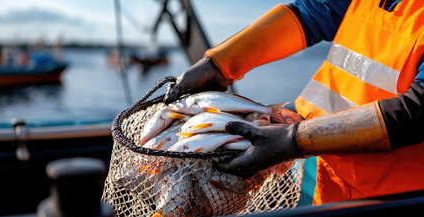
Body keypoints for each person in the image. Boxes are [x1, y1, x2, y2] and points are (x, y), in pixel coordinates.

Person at [164, 0, 424, 205]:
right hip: (319, 171)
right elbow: (309, 14)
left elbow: (418, 109)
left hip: (390, 199)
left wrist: (292, 140)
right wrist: (220, 64)